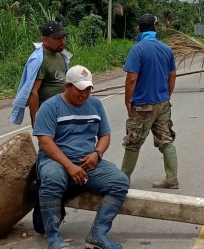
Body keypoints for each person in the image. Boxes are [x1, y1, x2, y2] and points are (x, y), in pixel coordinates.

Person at [33, 65, 129, 249]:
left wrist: (97, 153)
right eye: (80, 89)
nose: (84, 93)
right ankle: (53, 238)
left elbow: (105, 135)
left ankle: (98, 233)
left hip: (88, 161)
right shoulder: (50, 107)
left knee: (120, 182)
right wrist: (69, 166)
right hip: (55, 161)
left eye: (88, 88)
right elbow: (45, 142)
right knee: (52, 178)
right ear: (67, 86)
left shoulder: (95, 105)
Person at [120, 14, 179, 189]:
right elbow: (172, 75)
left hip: (143, 105)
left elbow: (131, 78)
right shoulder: (166, 49)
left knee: (133, 142)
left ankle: (123, 180)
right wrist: (166, 95)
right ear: (156, 28)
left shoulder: (137, 49)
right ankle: (171, 179)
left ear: (138, 29)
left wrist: (127, 100)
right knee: (166, 140)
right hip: (162, 103)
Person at [11, 21, 72, 127]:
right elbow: (32, 92)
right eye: (57, 38)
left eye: (63, 37)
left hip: (64, 110)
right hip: (49, 112)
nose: (62, 41)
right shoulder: (39, 59)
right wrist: (36, 120)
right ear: (45, 39)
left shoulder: (60, 54)